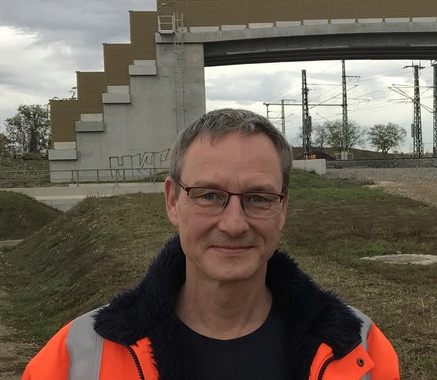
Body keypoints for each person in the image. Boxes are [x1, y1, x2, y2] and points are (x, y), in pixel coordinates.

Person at [23, 108, 400, 380]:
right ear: (172, 201)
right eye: (208, 196)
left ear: (283, 207)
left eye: (258, 198)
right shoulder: (76, 357)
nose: (234, 224)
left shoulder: (361, 350)